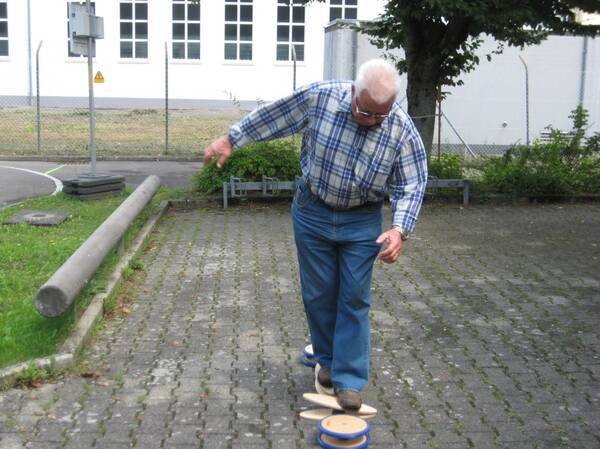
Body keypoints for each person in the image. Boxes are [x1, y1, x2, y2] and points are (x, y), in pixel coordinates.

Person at [203, 58, 428, 411]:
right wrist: (232, 138)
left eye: (379, 116)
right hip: (314, 212)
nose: (371, 122)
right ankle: (327, 361)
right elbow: (274, 116)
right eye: (365, 112)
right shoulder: (321, 98)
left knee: (354, 297)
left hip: (361, 221)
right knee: (319, 293)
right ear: (354, 92)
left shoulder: (399, 127)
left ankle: (350, 381)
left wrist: (400, 229)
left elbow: (412, 182)